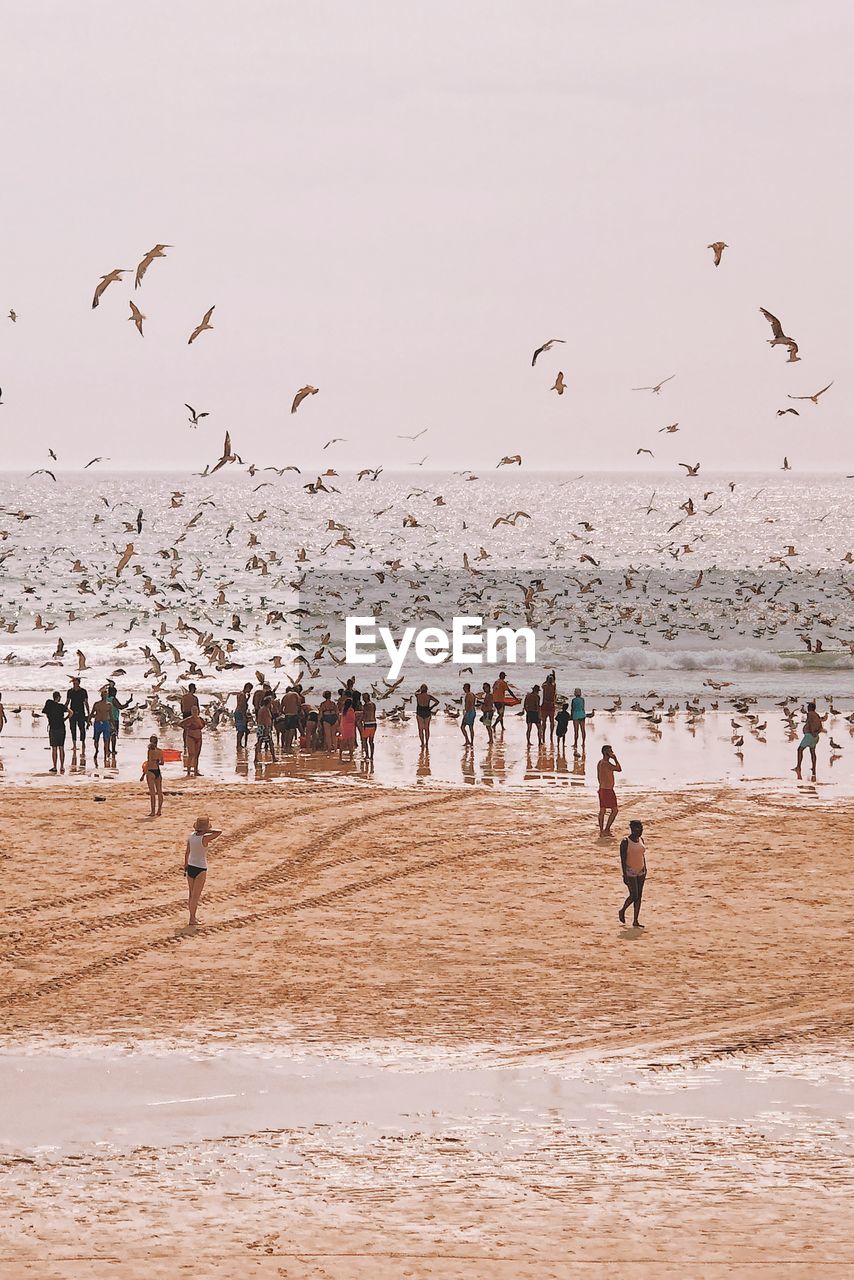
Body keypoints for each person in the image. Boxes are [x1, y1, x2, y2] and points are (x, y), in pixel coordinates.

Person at [183, 815, 222, 926]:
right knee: (196, 896)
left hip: (190, 866)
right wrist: (207, 830)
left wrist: (185, 865)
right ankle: (192, 919)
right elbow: (219, 832)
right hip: (200, 867)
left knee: (191, 894)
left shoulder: (191, 836)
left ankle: (192, 917)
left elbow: (187, 852)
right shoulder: (204, 838)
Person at [619, 820, 647, 928]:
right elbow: (623, 859)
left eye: (641, 829)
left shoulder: (641, 840)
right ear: (632, 829)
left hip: (641, 870)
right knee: (634, 895)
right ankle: (622, 910)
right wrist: (624, 874)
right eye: (637, 829)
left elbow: (642, 855)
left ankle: (636, 920)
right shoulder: (625, 842)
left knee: (639, 896)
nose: (639, 831)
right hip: (630, 871)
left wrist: (645, 868)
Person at [795, 701, 826, 778]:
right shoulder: (817, 715)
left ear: (811, 708)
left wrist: (812, 732)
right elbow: (820, 726)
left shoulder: (810, 714)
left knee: (800, 750)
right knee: (812, 752)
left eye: (808, 707)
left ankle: (798, 767)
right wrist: (816, 733)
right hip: (815, 737)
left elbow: (811, 723)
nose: (807, 708)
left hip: (809, 736)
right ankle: (814, 768)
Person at [597, 745, 621, 836]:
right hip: (607, 789)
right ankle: (606, 829)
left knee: (603, 810)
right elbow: (619, 768)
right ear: (606, 753)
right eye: (610, 751)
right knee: (614, 810)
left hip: (603, 788)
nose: (612, 753)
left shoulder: (601, 762)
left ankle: (602, 830)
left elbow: (598, 776)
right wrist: (615, 759)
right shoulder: (605, 763)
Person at [42, 692, 69, 773]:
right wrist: (65, 719)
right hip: (61, 728)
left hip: (53, 728)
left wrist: (50, 719)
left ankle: (54, 766)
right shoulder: (61, 706)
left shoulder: (49, 704)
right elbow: (71, 712)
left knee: (54, 748)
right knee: (61, 747)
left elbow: (46, 713)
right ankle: (62, 766)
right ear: (58, 697)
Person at [65, 677, 89, 755]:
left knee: (82, 728)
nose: (74, 684)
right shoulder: (70, 691)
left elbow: (86, 703)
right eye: (73, 683)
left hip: (81, 712)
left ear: (79, 683)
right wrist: (62, 710)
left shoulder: (83, 691)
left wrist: (88, 714)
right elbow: (67, 702)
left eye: (75, 682)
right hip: (72, 713)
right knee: (72, 728)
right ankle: (74, 744)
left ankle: (83, 743)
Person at [89, 688, 113, 764]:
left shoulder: (109, 705)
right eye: (103, 694)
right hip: (97, 723)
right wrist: (88, 721)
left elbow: (111, 716)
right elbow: (92, 713)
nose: (105, 696)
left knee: (106, 740)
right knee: (96, 740)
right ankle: (96, 750)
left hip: (106, 723)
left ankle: (106, 755)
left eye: (106, 694)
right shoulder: (96, 704)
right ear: (101, 695)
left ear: (107, 695)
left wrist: (113, 726)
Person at [181, 709, 206, 776]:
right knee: (191, 754)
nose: (195, 712)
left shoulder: (200, 719)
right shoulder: (189, 719)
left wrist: (198, 727)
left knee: (197, 755)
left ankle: (195, 771)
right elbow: (180, 723)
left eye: (196, 711)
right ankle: (188, 772)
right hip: (190, 736)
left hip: (198, 737)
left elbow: (204, 725)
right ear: (192, 712)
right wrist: (187, 728)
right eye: (193, 711)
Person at [145, 734, 164, 816]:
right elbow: (162, 763)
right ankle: (159, 811)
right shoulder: (160, 751)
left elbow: (148, 762)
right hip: (158, 771)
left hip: (151, 771)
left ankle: (153, 811)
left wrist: (143, 774)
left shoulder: (150, 751)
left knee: (152, 793)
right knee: (159, 792)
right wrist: (157, 761)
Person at [180, 684, 200, 748]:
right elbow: (197, 709)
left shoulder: (183, 697)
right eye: (195, 688)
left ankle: (185, 744)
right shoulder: (195, 698)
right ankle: (191, 744)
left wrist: (183, 712)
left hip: (185, 713)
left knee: (185, 730)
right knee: (192, 730)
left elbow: (181, 706)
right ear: (193, 689)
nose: (196, 690)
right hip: (191, 714)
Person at [235, 682, 252, 750]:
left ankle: (239, 744)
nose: (249, 691)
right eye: (250, 689)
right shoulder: (242, 695)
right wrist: (244, 716)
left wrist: (248, 698)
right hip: (240, 713)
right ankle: (238, 744)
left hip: (238, 712)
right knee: (241, 730)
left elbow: (242, 703)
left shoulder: (240, 694)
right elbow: (242, 706)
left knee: (241, 730)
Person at [338, 697, 357, 761]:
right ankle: (351, 758)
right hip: (350, 727)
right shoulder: (351, 710)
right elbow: (353, 719)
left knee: (343, 741)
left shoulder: (344, 710)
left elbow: (342, 719)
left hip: (344, 726)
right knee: (350, 743)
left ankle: (340, 756)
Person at [540, 671, 557, 742]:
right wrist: (554, 675)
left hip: (545, 705)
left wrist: (546, 679)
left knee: (544, 721)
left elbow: (542, 684)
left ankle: (543, 734)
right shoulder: (553, 686)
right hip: (551, 705)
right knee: (551, 721)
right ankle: (551, 734)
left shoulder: (545, 686)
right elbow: (554, 682)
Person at [361, 695, 377, 761]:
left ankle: (367, 755)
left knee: (364, 740)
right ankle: (371, 756)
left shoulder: (365, 705)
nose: (363, 699)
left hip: (367, 724)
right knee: (371, 741)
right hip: (373, 723)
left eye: (363, 698)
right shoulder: (373, 704)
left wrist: (361, 721)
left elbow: (364, 714)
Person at [571, 688, 587, 753]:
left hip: (576, 715)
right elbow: (583, 707)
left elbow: (573, 708)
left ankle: (575, 743)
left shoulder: (573, 700)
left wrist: (571, 716)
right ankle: (583, 743)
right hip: (582, 715)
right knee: (583, 730)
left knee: (576, 730)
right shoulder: (582, 699)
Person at [461, 682, 476, 746]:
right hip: (473, 711)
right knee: (471, 728)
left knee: (462, 727)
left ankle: (467, 740)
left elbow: (467, 704)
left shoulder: (468, 695)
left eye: (464, 687)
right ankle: (471, 742)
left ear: (466, 688)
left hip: (469, 712)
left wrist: (465, 712)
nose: (463, 688)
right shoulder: (472, 694)